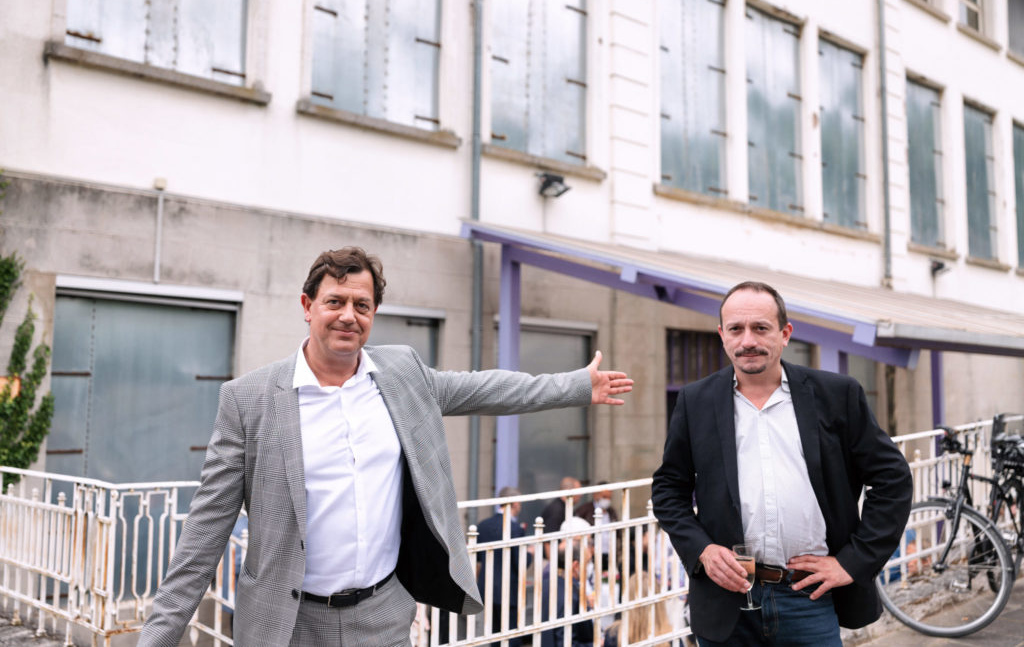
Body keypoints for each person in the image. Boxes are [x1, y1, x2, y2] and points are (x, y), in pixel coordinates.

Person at [139, 247, 633, 647]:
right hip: (287, 625)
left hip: (383, 618)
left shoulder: (402, 373)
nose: (348, 316)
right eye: (335, 302)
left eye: (362, 305)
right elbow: (203, 536)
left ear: (373, 313)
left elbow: (485, 388)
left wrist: (575, 386)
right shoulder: (248, 400)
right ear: (307, 306)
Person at [651, 281, 912, 646]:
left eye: (760, 328)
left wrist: (853, 561)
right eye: (736, 329)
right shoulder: (696, 401)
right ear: (722, 335)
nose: (747, 341)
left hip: (808, 598)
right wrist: (702, 551)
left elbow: (893, 479)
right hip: (728, 600)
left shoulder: (837, 394)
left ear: (785, 333)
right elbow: (668, 489)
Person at [475, 486, 530, 647]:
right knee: (511, 635)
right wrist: (531, 554)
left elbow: (478, 560)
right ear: (515, 503)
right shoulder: (515, 528)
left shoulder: (483, 525)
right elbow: (520, 563)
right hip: (509, 590)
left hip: (487, 588)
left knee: (494, 635)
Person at [540, 518, 595, 647]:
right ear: (575, 565)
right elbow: (565, 641)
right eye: (586, 563)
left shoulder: (552, 583)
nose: (588, 567)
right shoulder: (569, 594)